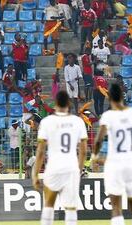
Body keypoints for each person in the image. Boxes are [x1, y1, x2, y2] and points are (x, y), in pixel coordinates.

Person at [92, 83, 132, 225]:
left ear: (109, 98)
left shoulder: (108, 116)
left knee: (116, 206)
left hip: (114, 163)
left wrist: (95, 157)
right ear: (122, 96)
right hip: (131, 161)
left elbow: (98, 140)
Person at [33, 90, 88, 225]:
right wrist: (79, 169)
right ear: (69, 103)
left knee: (48, 206)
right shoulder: (77, 121)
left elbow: (40, 152)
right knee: (70, 209)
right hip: (71, 168)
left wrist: (35, 175)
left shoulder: (47, 122)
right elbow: (83, 151)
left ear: (56, 103)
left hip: (53, 167)